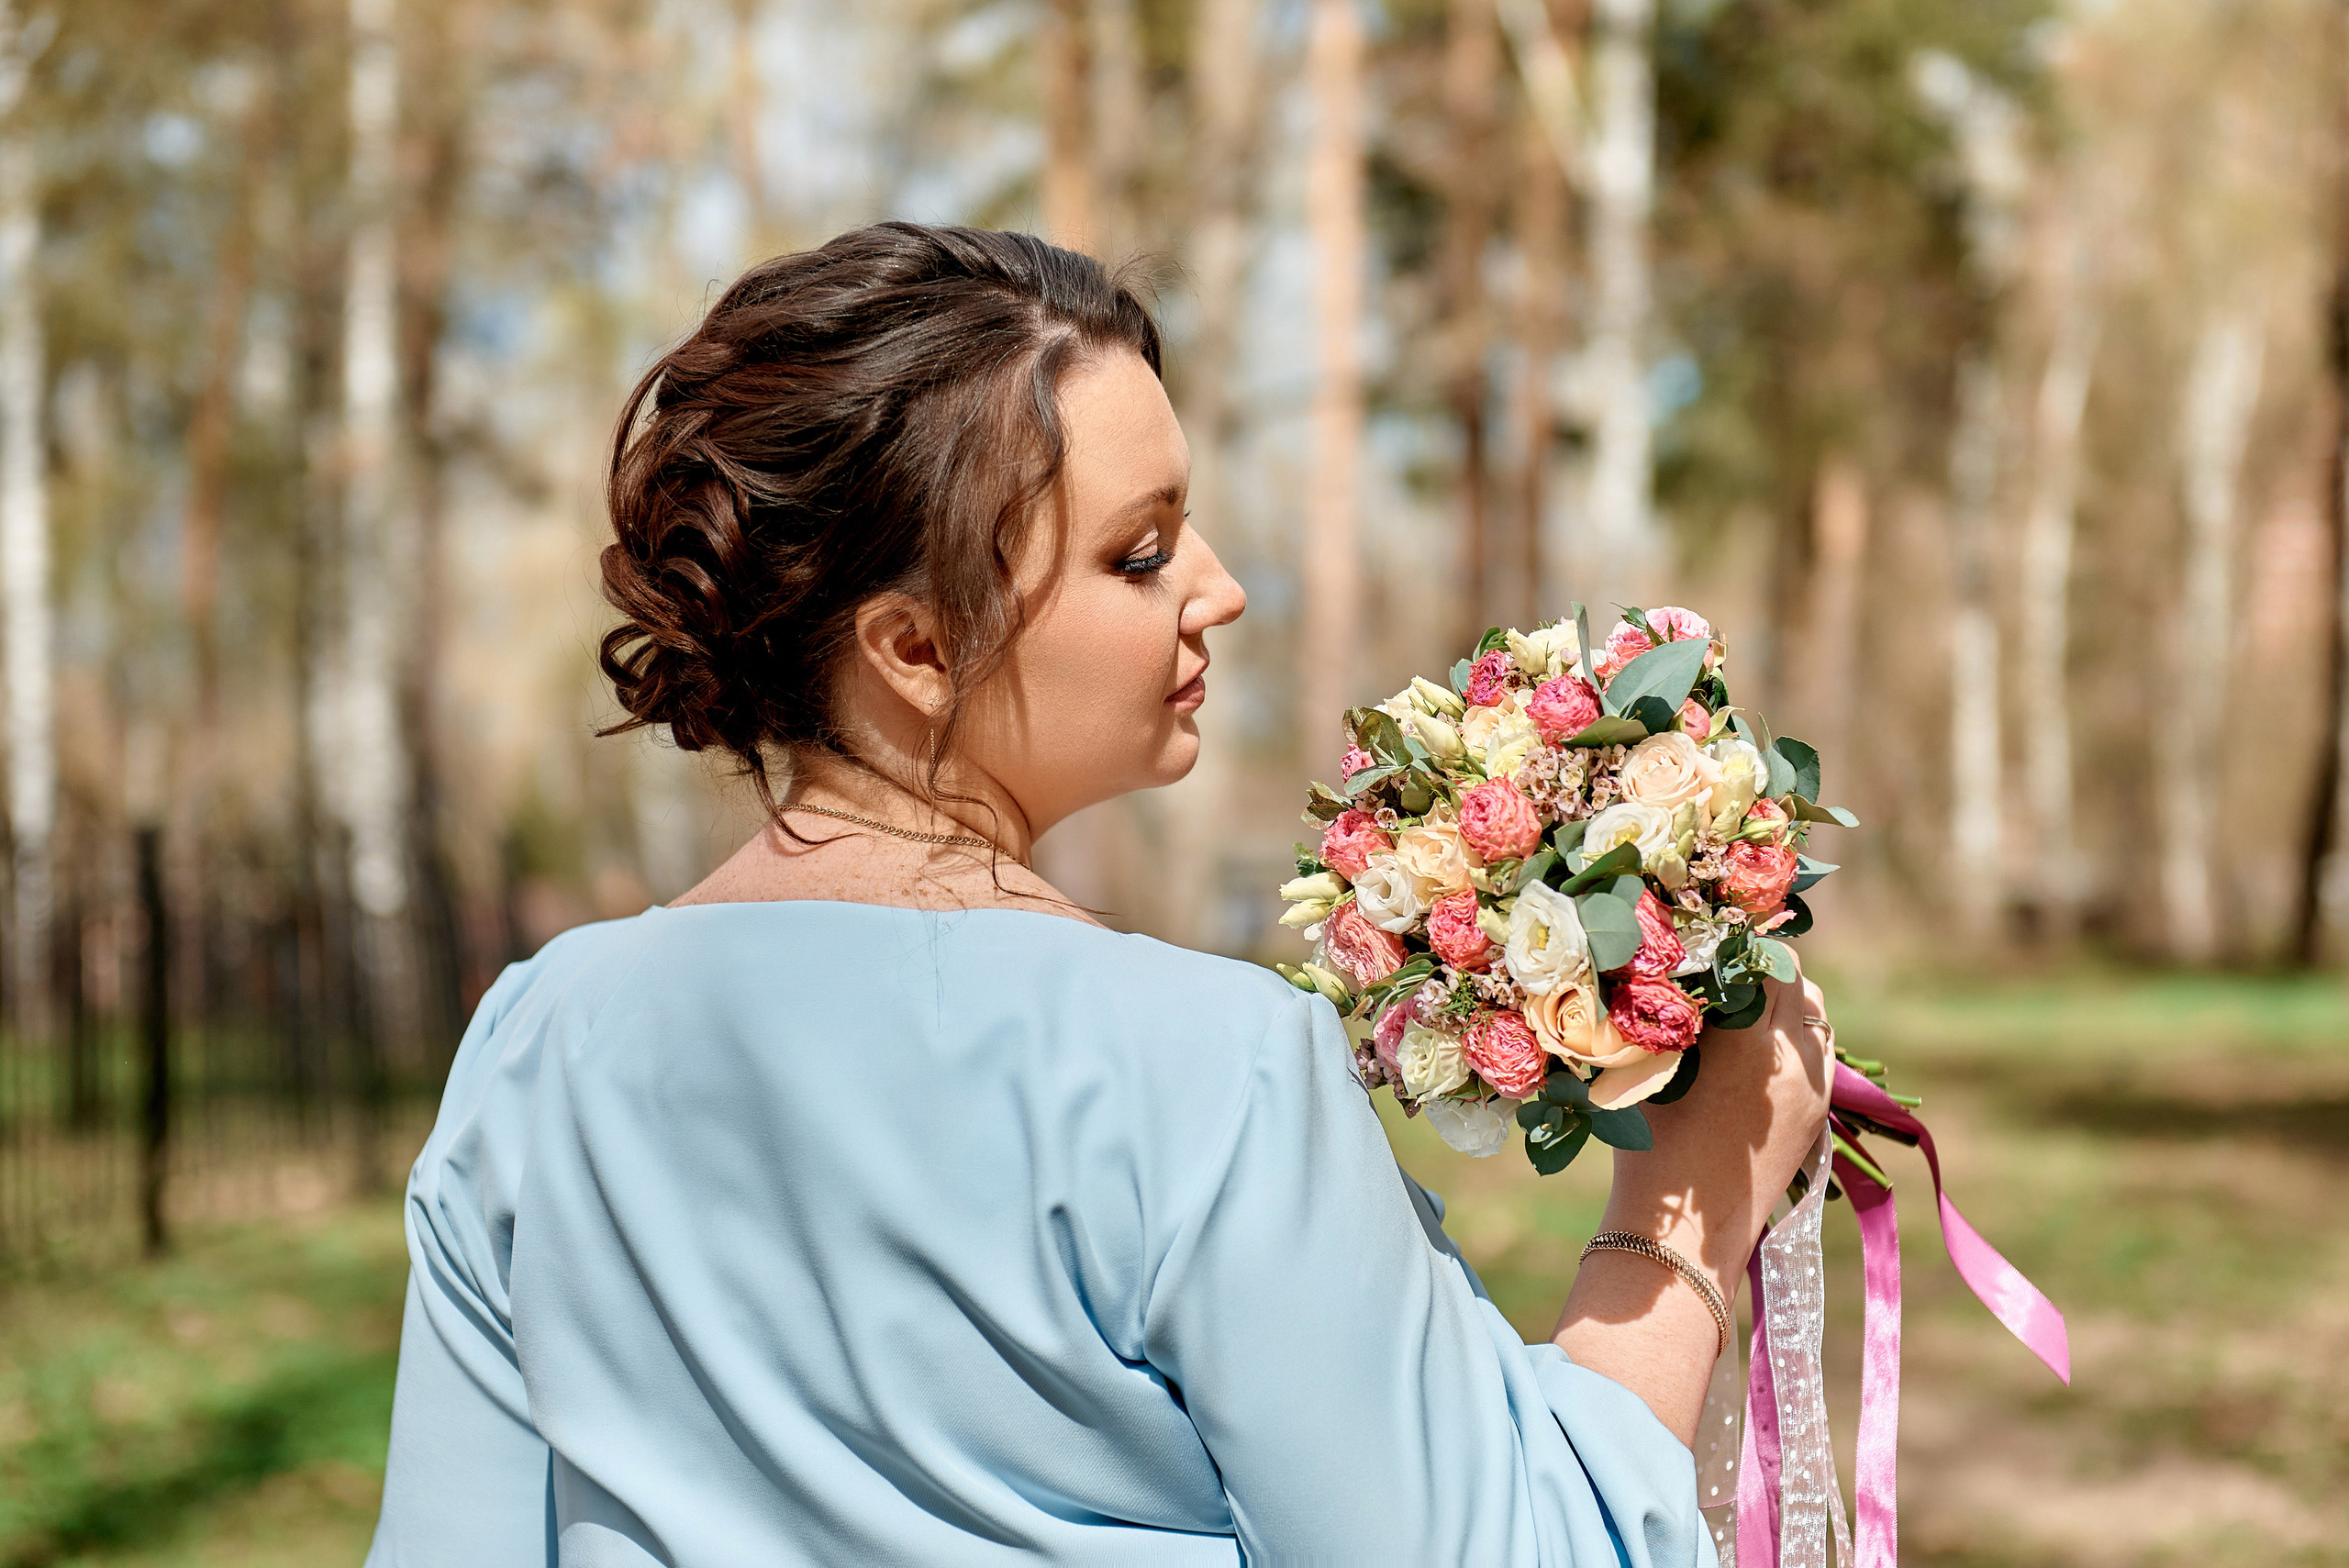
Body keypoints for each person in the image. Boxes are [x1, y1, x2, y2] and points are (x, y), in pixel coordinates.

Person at [366, 222, 1831, 1567]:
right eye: (1139, 553)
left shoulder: (531, 1044)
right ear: (917, 644)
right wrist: (1689, 1206)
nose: (1221, 586)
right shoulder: (1207, 1066)